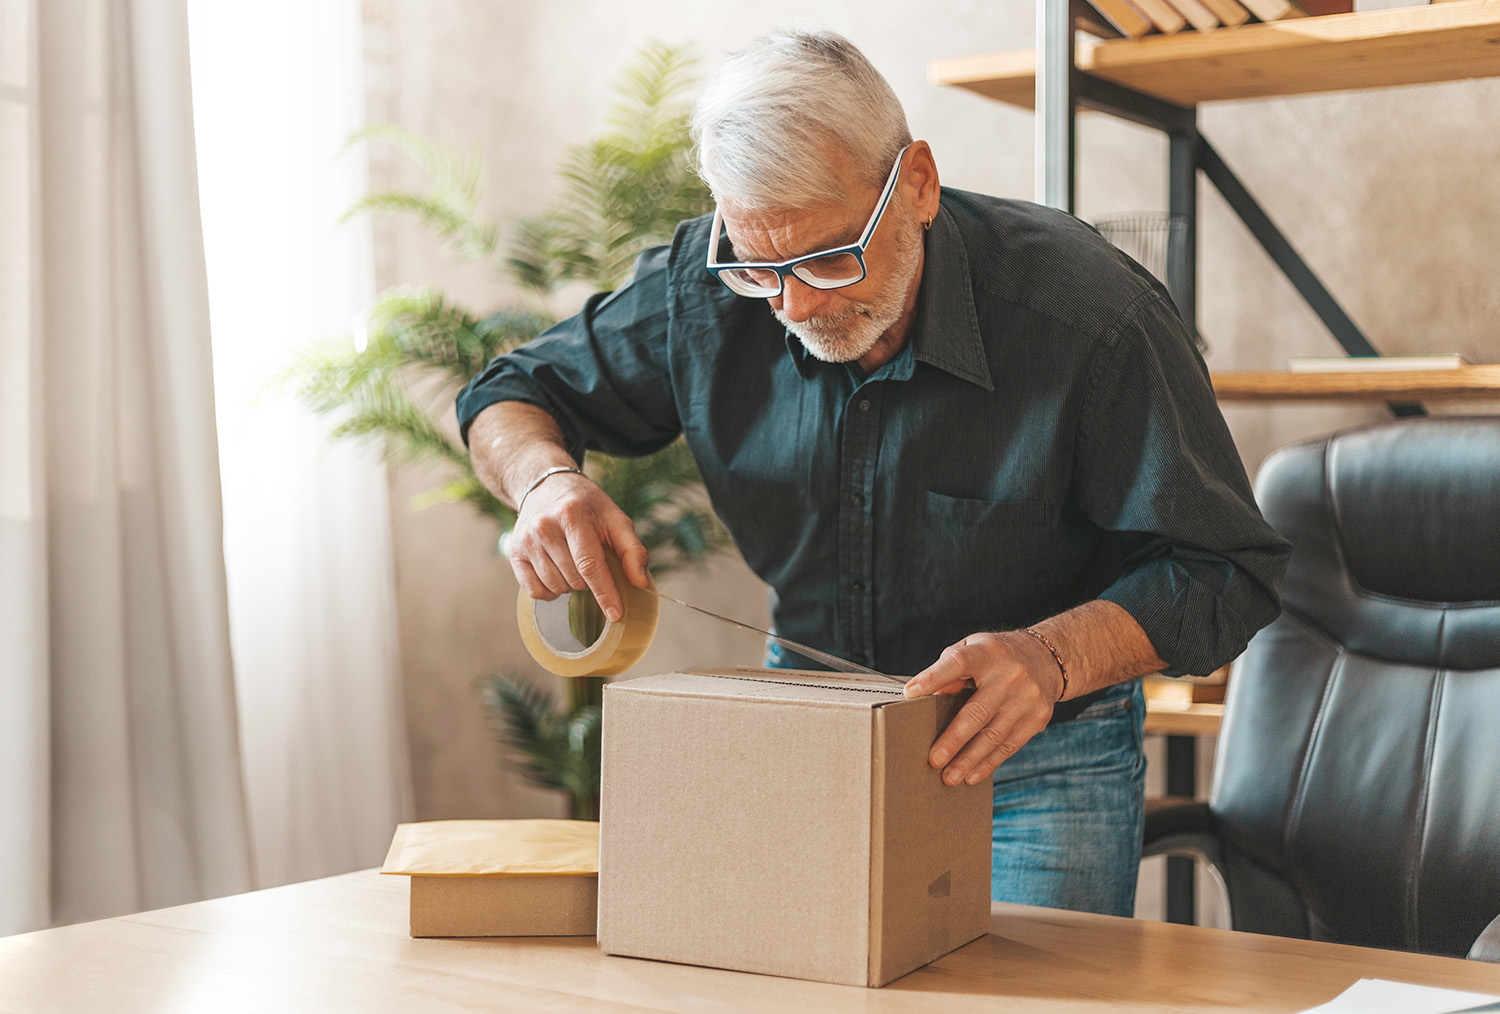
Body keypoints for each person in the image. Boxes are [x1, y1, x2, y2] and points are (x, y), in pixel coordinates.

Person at [456, 27, 1290, 917]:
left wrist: (1050, 656)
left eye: (826, 256)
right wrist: (544, 482)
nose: (797, 306)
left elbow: (1224, 571)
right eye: (761, 269)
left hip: (1038, 759)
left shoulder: (1091, 316)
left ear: (918, 184)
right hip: (806, 738)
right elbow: (510, 394)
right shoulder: (704, 285)